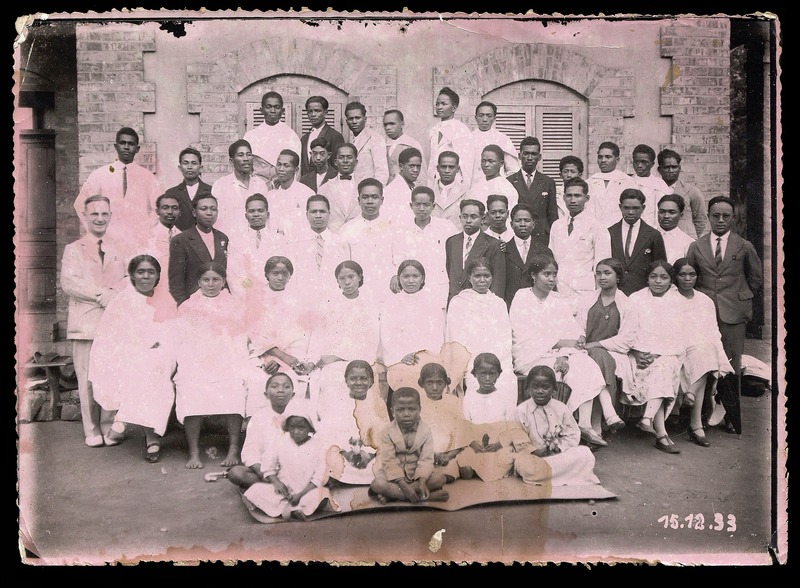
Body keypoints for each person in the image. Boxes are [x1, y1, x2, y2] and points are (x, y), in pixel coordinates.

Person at [509, 254, 608, 448]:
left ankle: (584, 425)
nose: (552, 279)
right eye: (546, 274)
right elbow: (525, 335)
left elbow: (571, 330)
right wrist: (562, 344)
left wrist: (564, 353)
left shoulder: (557, 300)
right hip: (531, 354)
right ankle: (565, 429)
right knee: (558, 373)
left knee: (585, 365)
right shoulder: (522, 297)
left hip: (557, 353)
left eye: (554, 274)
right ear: (533, 275)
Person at [90, 255, 178, 462]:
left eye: (151, 272)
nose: (146, 276)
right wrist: (140, 346)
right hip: (127, 354)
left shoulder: (165, 299)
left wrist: (157, 344)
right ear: (132, 275)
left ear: (157, 276)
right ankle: (151, 437)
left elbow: (173, 332)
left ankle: (122, 421)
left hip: (162, 353)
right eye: (141, 272)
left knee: (154, 369)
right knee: (143, 370)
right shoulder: (122, 300)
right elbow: (110, 335)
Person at [686, 196, 763, 420]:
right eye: (715, 216)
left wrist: (740, 297)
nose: (720, 221)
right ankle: (700, 412)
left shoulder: (744, 246)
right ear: (708, 217)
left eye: (726, 216)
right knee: (702, 359)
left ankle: (730, 415)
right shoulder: (696, 246)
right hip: (704, 314)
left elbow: (755, 278)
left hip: (733, 313)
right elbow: (690, 275)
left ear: (733, 218)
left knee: (731, 363)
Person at [61, 195, 128, 447]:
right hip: (86, 323)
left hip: (112, 322)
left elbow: (125, 279)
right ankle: (91, 430)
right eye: (94, 215)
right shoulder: (74, 249)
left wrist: (115, 293)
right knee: (87, 377)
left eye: (104, 214)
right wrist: (103, 295)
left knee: (109, 375)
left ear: (110, 217)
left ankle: (108, 426)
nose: (99, 219)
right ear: (86, 218)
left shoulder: (118, 249)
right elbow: (70, 283)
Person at [172, 262, 248, 469]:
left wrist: (234, 364)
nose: (211, 284)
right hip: (197, 362)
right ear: (198, 282)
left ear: (223, 282)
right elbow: (182, 340)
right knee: (189, 388)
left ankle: (233, 448)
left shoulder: (234, 305)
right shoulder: (188, 306)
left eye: (216, 279)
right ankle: (194, 451)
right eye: (206, 279)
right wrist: (191, 364)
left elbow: (239, 340)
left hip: (227, 360)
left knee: (234, 386)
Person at [301, 260, 381, 417]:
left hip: (359, 363)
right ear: (337, 281)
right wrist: (312, 361)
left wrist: (338, 356)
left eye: (351, 276)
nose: (347, 282)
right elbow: (318, 336)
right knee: (329, 383)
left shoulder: (369, 305)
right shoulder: (329, 304)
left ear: (360, 277)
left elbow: (371, 341)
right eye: (342, 278)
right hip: (331, 365)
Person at [626, 261, 687, 454]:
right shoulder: (635, 299)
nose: (658, 281)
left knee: (664, 366)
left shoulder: (677, 302)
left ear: (671, 280)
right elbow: (628, 330)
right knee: (659, 373)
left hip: (666, 353)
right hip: (637, 353)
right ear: (647, 278)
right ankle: (659, 433)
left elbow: (678, 335)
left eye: (663, 277)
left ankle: (649, 420)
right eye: (653, 277)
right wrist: (636, 352)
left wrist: (656, 353)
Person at [673, 257, 735, 447]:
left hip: (701, 347)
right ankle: (695, 425)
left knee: (706, 354)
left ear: (697, 277)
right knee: (703, 359)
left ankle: (693, 406)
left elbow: (713, 332)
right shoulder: (670, 298)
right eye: (682, 274)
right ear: (675, 277)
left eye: (692, 274)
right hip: (676, 346)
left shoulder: (704, 300)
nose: (687, 278)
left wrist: (721, 356)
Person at [243, 399, 337, 521]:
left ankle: (293, 508)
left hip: (307, 491)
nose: (296, 432)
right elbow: (268, 465)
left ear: (310, 428)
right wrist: (276, 482)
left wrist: (299, 495)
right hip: (284, 490)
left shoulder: (319, 446)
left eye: (301, 427)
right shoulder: (280, 442)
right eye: (292, 427)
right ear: (287, 427)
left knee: (321, 495)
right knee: (255, 490)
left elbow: (319, 476)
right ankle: (292, 509)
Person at [513, 366, 602, 487]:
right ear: (528, 388)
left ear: (554, 389)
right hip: (533, 458)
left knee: (585, 453)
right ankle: (565, 476)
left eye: (545, 387)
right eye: (535, 387)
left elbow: (573, 435)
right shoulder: (520, 411)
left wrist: (557, 447)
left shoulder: (561, 408)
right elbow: (517, 440)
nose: (540, 391)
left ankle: (547, 477)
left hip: (557, 456)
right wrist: (534, 451)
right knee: (524, 465)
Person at [74, 127, 162, 246]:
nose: (126, 147)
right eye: (122, 143)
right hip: (108, 242)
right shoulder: (100, 174)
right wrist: (96, 231)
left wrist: (144, 230)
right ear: (116, 147)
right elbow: (80, 204)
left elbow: (158, 208)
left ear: (137, 149)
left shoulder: (148, 177)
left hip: (138, 243)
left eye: (131, 144)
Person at [245, 256, 312, 414]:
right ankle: (257, 423)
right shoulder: (256, 298)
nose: (280, 277)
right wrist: (275, 357)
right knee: (257, 379)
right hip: (263, 356)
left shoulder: (298, 300)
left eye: (285, 273)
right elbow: (255, 333)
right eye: (275, 273)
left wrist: (283, 359)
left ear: (290, 276)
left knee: (295, 380)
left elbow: (300, 334)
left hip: (290, 356)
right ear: (267, 274)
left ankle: (292, 426)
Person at [574, 258, 633, 433]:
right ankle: (607, 417)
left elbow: (627, 339)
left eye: (607, 273)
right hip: (585, 351)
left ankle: (595, 424)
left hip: (614, 352)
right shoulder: (588, 299)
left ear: (618, 277)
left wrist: (596, 344)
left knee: (598, 358)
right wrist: (582, 338)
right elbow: (578, 326)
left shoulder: (627, 304)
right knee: (594, 359)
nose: (602, 277)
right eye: (598, 273)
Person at [445, 258, 515, 396]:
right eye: (477, 276)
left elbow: (505, 338)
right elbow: (455, 338)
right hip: (470, 362)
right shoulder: (459, 302)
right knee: (475, 381)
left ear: (492, 277)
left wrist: (497, 363)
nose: (482, 280)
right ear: (469, 278)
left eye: (486, 276)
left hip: (497, 360)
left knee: (508, 381)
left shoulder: (498, 303)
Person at [370, 387, 450, 504]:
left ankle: (393, 496)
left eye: (412, 409)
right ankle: (428, 497)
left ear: (419, 410)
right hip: (394, 478)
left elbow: (426, 460)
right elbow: (389, 461)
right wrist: (404, 486)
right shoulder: (387, 431)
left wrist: (422, 482)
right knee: (377, 484)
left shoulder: (425, 430)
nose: (406, 414)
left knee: (440, 478)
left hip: (416, 475)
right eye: (400, 410)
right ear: (392, 411)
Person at [322, 360, 390, 486]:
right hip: (345, 453)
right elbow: (331, 433)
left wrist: (368, 454)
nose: (358, 383)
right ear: (346, 381)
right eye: (353, 378)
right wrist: (349, 453)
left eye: (364, 378)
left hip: (369, 454)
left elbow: (383, 434)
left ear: (371, 381)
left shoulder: (377, 402)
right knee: (330, 458)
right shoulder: (338, 402)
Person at [227, 372, 296, 490]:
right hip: (268, 469)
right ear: (266, 394)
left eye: (286, 386)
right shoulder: (259, 417)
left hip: (296, 469)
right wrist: (262, 472)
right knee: (236, 473)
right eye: (274, 386)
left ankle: (276, 489)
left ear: (293, 394)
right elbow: (250, 451)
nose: (281, 390)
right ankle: (277, 487)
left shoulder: (302, 415)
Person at [389, 186, 455, 308]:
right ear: (411, 205)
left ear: (433, 206)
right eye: (417, 204)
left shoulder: (446, 227)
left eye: (426, 204)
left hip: (437, 284)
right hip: (412, 285)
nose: (422, 209)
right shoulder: (402, 229)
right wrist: (394, 274)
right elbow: (396, 256)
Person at [548, 177, 611, 297]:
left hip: (585, 291)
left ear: (586, 198)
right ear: (563, 197)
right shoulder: (557, 225)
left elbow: (603, 264)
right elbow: (552, 258)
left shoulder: (596, 226)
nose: (572, 200)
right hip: (559, 289)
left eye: (577, 196)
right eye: (569, 195)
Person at [338, 178, 397, 302]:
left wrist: (395, 275)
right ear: (359, 200)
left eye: (374, 197)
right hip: (359, 292)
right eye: (365, 197)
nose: (370, 201)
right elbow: (343, 265)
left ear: (382, 200)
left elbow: (400, 258)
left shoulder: (393, 227)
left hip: (387, 291)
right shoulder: (347, 230)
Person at [379, 260, 446, 368]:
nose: (411, 281)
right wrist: (401, 356)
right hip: (400, 360)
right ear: (399, 278)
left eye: (415, 276)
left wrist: (425, 356)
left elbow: (438, 336)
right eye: (406, 276)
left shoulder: (432, 302)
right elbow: (387, 336)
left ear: (423, 278)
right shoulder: (391, 304)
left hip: (427, 360)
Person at [282, 194, 351, 297]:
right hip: (304, 298)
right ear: (307, 215)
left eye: (322, 211)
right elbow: (291, 277)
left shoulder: (340, 243)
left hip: (333, 298)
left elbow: (346, 275)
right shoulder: (295, 243)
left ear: (329, 214)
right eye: (313, 212)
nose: (318, 216)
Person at [168, 194, 229, 306]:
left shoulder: (223, 238)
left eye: (213, 209)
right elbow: (176, 283)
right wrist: (186, 307)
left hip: (222, 304)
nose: (209, 213)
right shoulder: (181, 240)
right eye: (204, 209)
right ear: (194, 213)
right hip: (195, 305)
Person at [608, 188, 668, 296]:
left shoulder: (653, 235)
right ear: (620, 207)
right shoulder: (609, 232)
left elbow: (660, 268)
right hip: (615, 293)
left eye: (636, 208)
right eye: (626, 208)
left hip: (643, 294)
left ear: (643, 208)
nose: (631, 212)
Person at [445, 199, 506, 303]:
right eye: (465, 216)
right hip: (455, 303)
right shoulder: (451, 242)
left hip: (480, 303)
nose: (468, 220)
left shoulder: (493, 244)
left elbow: (498, 283)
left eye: (473, 217)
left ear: (482, 219)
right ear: (460, 218)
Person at [211, 139, 271, 239]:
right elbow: (218, 220)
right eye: (240, 155)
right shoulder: (221, 185)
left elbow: (265, 217)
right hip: (231, 241)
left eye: (249, 154)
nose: (246, 158)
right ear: (231, 161)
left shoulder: (260, 184)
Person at [506, 137, 558, 247]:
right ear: (520, 156)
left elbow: (552, 216)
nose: (530, 158)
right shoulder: (509, 181)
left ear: (539, 157)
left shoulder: (548, 182)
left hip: (542, 237)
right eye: (526, 154)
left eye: (534, 154)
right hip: (517, 235)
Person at [226, 193, 282, 294]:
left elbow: (282, 272)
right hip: (245, 295)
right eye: (251, 211)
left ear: (268, 214)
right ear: (246, 215)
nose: (256, 214)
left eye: (260, 211)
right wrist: (247, 296)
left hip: (273, 296)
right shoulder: (236, 241)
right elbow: (232, 274)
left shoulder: (279, 240)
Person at [243, 91, 303, 183]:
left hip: (282, 184)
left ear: (282, 111)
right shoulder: (251, 135)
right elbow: (245, 165)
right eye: (268, 107)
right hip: (257, 183)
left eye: (277, 107)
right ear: (261, 110)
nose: (273, 111)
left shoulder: (290, 135)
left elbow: (296, 167)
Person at [502, 203, 554, 308]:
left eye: (527, 220)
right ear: (511, 224)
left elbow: (550, 282)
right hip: (511, 305)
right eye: (518, 220)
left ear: (533, 224)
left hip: (537, 305)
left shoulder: (544, 251)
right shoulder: (503, 250)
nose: (522, 224)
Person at [427, 87, 474, 191]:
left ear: (454, 108)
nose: (439, 107)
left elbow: (466, 164)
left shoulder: (461, 130)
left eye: (444, 104)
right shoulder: (434, 130)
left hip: (455, 183)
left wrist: (465, 188)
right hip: (435, 182)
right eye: (437, 104)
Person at [657, 148, 709, 238]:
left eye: (674, 167)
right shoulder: (654, 189)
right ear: (659, 169)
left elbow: (701, 220)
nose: (671, 170)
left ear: (679, 168)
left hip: (686, 237)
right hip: (660, 237)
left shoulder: (692, 191)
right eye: (666, 167)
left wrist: (694, 239)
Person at [587, 141, 638, 230]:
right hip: (593, 230)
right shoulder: (589, 182)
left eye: (608, 157)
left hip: (619, 230)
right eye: (600, 157)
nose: (603, 160)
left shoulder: (627, 182)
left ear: (617, 159)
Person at [469, 101, 520, 185]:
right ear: (475, 117)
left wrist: (502, 184)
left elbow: (513, 170)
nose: (485, 119)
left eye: (489, 116)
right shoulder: (468, 138)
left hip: (496, 188)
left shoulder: (503, 139)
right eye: (481, 115)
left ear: (494, 118)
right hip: (473, 188)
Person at [162, 147, 212, 231]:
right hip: (180, 240)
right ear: (180, 167)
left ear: (200, 167)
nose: (189, 167)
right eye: (185, 163)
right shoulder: (171, 193)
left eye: (194, 163)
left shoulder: (211, 191)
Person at [267, 149, 314, 238]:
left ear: (296, 169)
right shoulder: (270, 195)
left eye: (286, 166)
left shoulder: (306, 193)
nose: (281, 169)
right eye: (279, 164)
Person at [318, 143, 361, 232]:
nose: (345, 160)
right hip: (333, 239)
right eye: (341, 157)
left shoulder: (364, 187)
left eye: (349, 157)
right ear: (335, 162)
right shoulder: (324, 188)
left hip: (358, 238)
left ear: (356, 162)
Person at [345, 101, 389, 186]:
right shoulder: (351, 140)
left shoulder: (375, 138)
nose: (354, 121)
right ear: (346, 121)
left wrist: (374, 192)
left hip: (368, 191)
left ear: (365, 119)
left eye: (357, 118)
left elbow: (382, 172)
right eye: (350, 118)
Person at [300, 95, 344, 176]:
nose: (313, 114)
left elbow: (338, 165)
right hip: (307, 183)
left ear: (325, 113)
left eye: (317, 111)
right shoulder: (304, 138)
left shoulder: (335, 136)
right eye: (310, 111)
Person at [630, 144, 673, 227]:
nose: (639, 165)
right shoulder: (627, 182)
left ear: (652, 164)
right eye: (636, 162)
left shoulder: (660, 185)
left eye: (644, 162)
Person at [468, 144, 519, 212]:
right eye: (483, 161)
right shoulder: (477, 185)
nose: (486, 165)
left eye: (491, 161)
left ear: (501, 163)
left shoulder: (506, 188)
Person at [383, 109, 426, 185]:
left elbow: (421, 176)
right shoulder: (384, 145)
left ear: (402, 124)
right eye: (385, 124)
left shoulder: (411, 144)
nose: (388, 127)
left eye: (392, 124)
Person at [380, 147, 423, 223]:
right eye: (411, 166)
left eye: (418, 166)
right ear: (401, 166)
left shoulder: (413, 188)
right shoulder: (391, 191)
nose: (415, 170)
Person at [140, 193, 182, 268]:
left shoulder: (184, 237)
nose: (170, 212)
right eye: (165, 208)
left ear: (179, 212)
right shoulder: (147, 237)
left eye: (174, 208)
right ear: (157, 211)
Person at [430, 151, 469, 229]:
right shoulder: (428, 190)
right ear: (437, 168)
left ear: (457, 169)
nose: (447, 171)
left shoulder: (465, 193)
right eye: (443, 167)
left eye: (451, 167)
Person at [656, 194, 696, 264]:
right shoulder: (647, 236)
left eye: (672, 212)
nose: (666, 216)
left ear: (681, 215)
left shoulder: (688, 242)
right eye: (662, 212)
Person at [555, 155, 584, 219]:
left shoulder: (586, 193)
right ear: (560, 175)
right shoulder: (554, 192)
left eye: (573, 172)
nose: (569, 175)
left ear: (580, 175)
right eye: (565, 172)